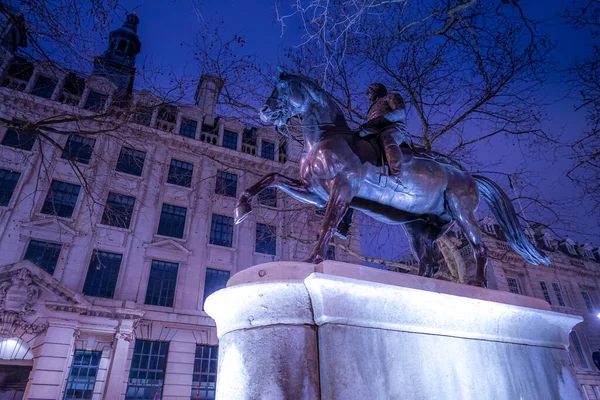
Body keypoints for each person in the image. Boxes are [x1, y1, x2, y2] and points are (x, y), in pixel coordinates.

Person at [359, 83, 411, 176]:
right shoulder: (372, 107)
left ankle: (396, 175)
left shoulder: (390, 96)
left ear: (377, 90)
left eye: (370, 91)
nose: (367, 94)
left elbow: (400, 113)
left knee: (386, 138)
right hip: (375, 131)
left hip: (394, 128)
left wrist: (378, 121)